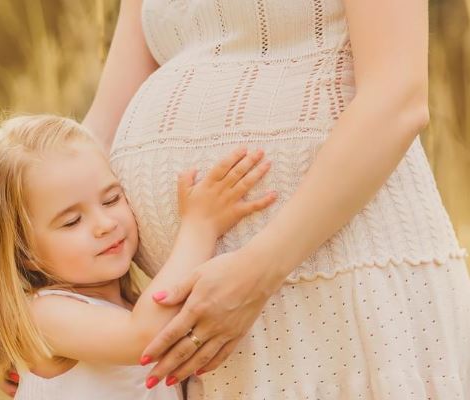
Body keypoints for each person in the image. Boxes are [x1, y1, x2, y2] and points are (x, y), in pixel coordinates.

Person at [81, 0, 470, 398]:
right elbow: (98, 132)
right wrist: (23, 293)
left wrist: (257, 271)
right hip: (205, 324)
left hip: (344, 286)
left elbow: (397, 98)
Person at [0, 114, 277, 399]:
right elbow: (144, 338)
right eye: (72, 221)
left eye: (112, 198)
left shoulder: (131, 304)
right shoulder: (44, 315)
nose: (105, 224)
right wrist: (200, 227)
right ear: (25, 253)